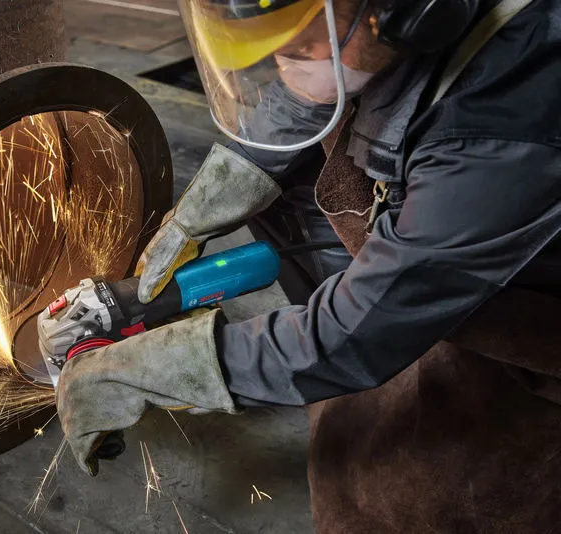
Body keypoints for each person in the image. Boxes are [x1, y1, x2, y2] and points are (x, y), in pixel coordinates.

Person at [56, 0, 561, 531]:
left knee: (388, 485)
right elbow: (304, 98)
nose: (283, 59)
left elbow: (353, 334)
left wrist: (145, 372)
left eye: (296, 42)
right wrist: (211, 199)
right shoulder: (394, 31)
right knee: (291, 177)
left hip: (533, 327)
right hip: (447, 241)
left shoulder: (499, 128)